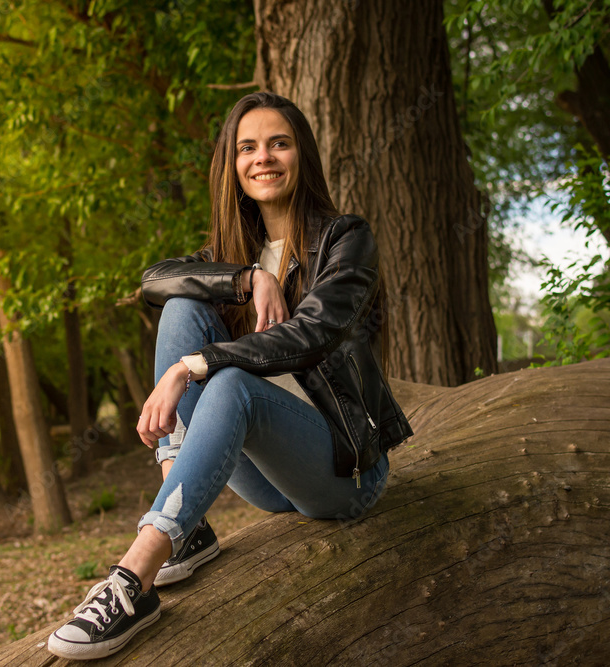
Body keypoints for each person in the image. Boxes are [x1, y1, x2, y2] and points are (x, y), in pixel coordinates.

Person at [47, 92, 414, 661]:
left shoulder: (345, 239)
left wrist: (193, 364)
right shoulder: (232, 252)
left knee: (229, 381)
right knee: (180, 306)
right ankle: (185, 529)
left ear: (301, 155)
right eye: (248, 147)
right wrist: (245, 279)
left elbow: (311, 334)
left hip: (345, 473)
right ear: (232, 165)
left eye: (278, 143)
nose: (263, 157)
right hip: (271, 482)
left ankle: (131, 581)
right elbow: (153, 281)